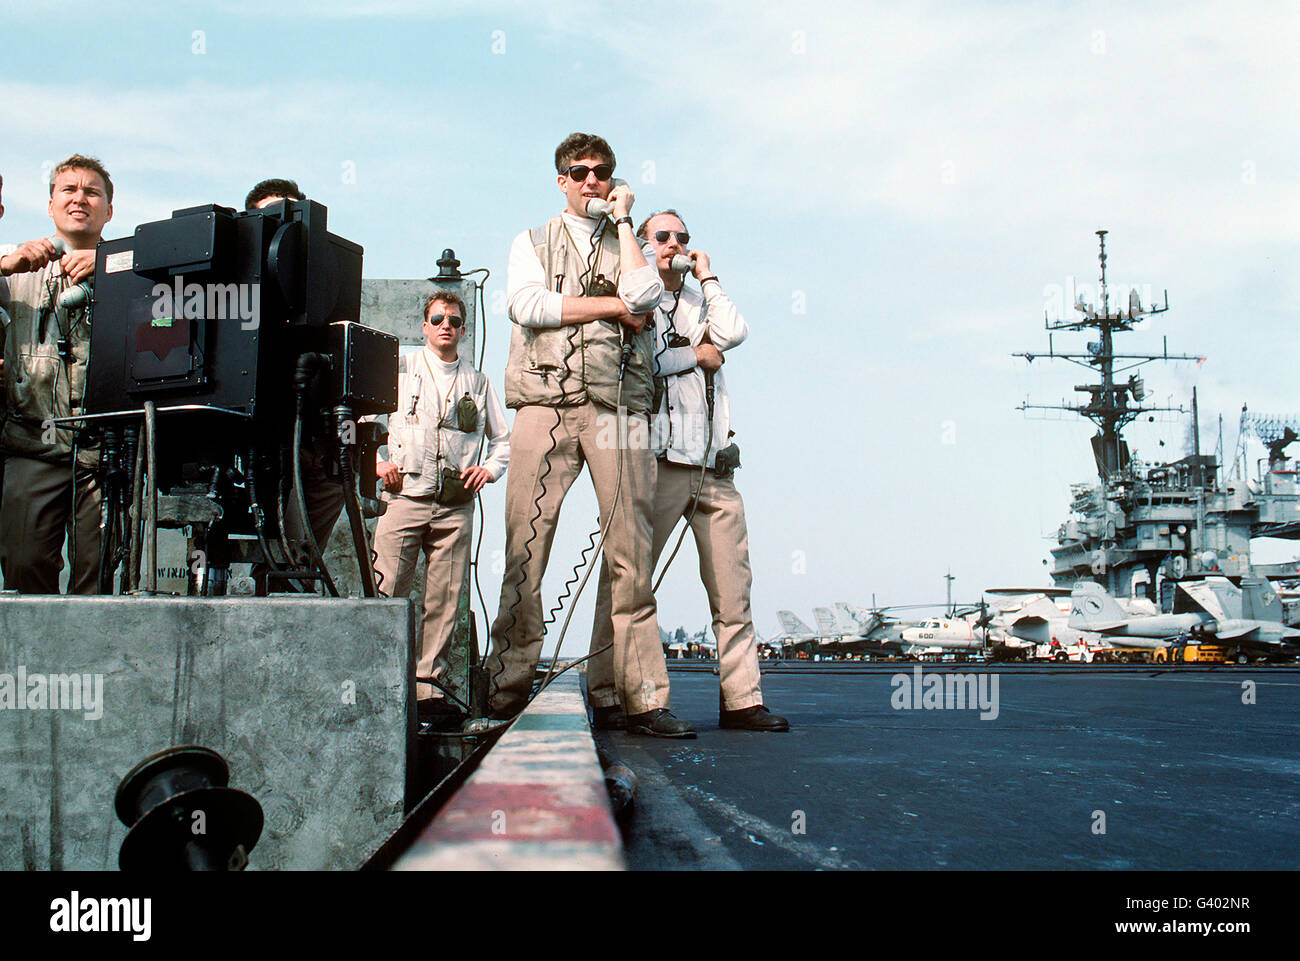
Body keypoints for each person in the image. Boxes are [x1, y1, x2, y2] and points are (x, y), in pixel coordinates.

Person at [479, 132, 690, 736]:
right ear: (561, 180)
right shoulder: (532, 240)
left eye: (602, 172)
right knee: (527, 545)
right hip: (544, 404)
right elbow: (527, 305)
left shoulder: (628, 243)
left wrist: (626, 223)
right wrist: (606, 308)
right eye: (580, 171)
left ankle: (637, 694)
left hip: (618, 406)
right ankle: (506, 685)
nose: (591, 180)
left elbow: (645, 296)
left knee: (632, 552)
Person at [587, 210, 789, 732]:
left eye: (682, 237)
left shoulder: (702, 297)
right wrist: (698, 355)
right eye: (663, 236)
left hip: (714, 467)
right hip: (659, 464)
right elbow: (648, 360)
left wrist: (709, 276)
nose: (674, 244)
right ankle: (611, 689)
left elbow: (735, 332)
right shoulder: (640, 295)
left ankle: (742, 699)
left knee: (733, 590)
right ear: (645, 244)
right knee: (629, 582)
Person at [372, 290, 509, 717]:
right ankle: (380, 682)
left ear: (463, 329)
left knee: (446, 600)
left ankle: (428, 689)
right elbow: (365, 422)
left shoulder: (478, 382)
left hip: (454, 506)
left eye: (453, 319)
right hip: (404, 497)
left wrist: (488, 470)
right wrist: (378, 464)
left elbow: (503, 441)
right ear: (424, 327)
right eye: (437, 319)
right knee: (387, 590)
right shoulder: (400, 369)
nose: (445, 325)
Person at [0, 155, 112, 593]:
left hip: (103, 454)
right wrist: (7, 265)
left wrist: (108, 269)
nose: (79, 198)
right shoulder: (15, 268)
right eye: (68, 190)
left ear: (109, 209)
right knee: (24, 564)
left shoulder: (133, 269)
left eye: (91, 191)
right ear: (50, 205)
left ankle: (93, 661)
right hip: (30, 443)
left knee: (98, 577)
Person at [243, 178, 345, 581]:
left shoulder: (323, 291)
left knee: (299, 540)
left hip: (306, 439)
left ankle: (288, 576)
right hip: (249, 438)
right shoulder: (228, 289)